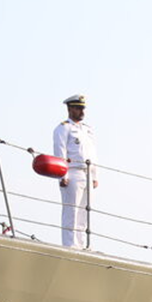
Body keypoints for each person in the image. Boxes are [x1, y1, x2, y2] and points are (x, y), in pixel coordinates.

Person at [53, 94, 99, 248]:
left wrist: (94, 175)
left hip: (87, 172)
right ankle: (70, 244)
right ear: (70, 109)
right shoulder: (64, 128)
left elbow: (92, 153)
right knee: (71, 211)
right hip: (72, 173)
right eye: (78, 108)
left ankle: (81, 244)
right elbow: (60, 151)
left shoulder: (87, 130)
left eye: (82, 108)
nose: (81, 111)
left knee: (84, 212)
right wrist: (62, 175)